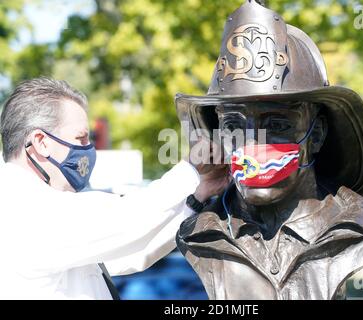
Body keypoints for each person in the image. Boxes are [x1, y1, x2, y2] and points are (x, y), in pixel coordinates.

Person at [175, 0, 363, 299]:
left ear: (317, 133)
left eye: (277, 125)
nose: (253, 145)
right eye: (233, 125)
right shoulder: (199, 235)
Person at [0, 77, 229, 299]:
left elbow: (132, 252)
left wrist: (197, 196)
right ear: (41, 142)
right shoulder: (21, 208)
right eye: (80, 138)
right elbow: (127, 215)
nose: (87, 148)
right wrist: (190, 168)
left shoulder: (48, 217)